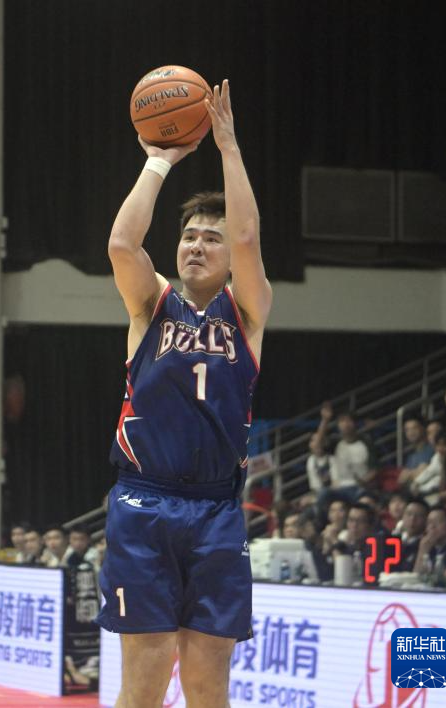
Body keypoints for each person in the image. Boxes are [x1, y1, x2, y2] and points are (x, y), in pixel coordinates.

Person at [99, 80, 273, 707]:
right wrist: (158, 160)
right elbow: (122, 244)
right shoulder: (150, 304)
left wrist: (227, 146)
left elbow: (248, 238)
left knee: (207, 685)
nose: (197, 245)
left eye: (210, 238)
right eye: (189, 236)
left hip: (216, 509)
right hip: (143, 501)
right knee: (143, 682)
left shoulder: (247, 313)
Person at [311, 405, 377, 504]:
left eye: (348, 421)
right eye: (342, 421)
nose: (345, 424)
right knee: (324, 494)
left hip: (360, 488)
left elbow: (375, 469)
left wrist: (363, 482)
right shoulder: (337, 442)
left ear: (355, 423)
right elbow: (318, 444)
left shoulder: (366, 443)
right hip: (341, 488)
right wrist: (325, 420)